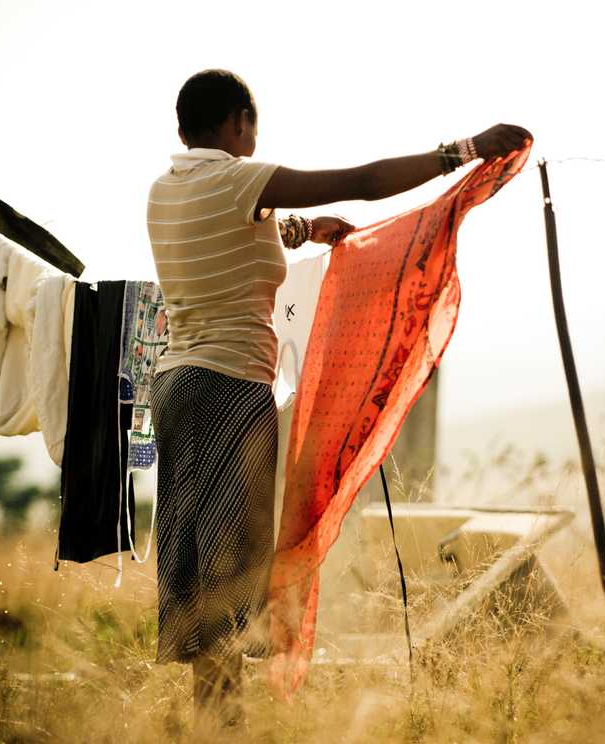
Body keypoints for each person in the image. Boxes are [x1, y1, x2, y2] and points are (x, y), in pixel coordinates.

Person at [147, 68, 531, 726]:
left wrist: (302, 229)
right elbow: (363, 180)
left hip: (177, 387)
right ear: (238, 123)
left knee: (199, 572)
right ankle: (222, 726)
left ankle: (211, 721)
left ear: (184, 129)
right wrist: (464, 150)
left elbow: (239, 232)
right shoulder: (241, 181)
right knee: (231, 574)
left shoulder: (168, 189)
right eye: (252, 127)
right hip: (229, 388)